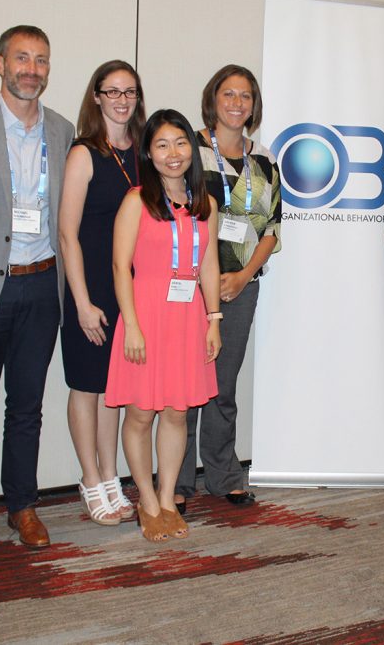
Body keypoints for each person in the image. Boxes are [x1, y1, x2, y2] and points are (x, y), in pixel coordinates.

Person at [0, 25, 75, 555]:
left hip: (43, 285)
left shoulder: (63, 131)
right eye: (21, 58)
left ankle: (22, 506)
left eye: (41, 60)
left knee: (27, 407)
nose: (32, 69)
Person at [105, 109, 221, 542]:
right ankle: (147, 500)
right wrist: (131, 326)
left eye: (181, 143)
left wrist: (213, 320)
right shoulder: (136, 201)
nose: (174, 154)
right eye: (162, 145)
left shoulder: (203, 203)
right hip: (145, 318)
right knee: (140, 413)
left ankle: (169, 497)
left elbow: (208, 265)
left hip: (189, 318)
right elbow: (119, 267)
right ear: (148, 154)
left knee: (177, 412)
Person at [176, 65, 281, 512]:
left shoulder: (265, 159)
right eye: (228, 94)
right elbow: (173, 216)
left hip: (241, 288)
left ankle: (223, 475)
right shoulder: (188, 149)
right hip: (188, 288)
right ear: (212, 99)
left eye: (245, 96)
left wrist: (241, 276)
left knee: (222, 384)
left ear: (253, 105)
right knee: (183, 385)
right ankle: (177, 481)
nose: (237, 103)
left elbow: (273, 228)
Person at [59, 61, 145, 525]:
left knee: (115, 388)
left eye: (129, 91)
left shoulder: (144, 153)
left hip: (128, 290)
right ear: (96, 97)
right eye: (111, 91)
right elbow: (67, 235)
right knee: (86, 387)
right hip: (89, 290)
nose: (121, 99)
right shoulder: (84, 153)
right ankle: (91, 480)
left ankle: (113, 478)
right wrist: (82, 304)